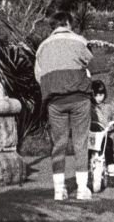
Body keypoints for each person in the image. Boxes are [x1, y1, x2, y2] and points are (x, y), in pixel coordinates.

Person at [34, 10, 94, 201]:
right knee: (80, 141)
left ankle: (59, 190)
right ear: (68, 23)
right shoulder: (80, 41)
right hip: (79, 98)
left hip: (55, 101)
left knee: (58, 144)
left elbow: (39, 75)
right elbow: (90, 63)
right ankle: (82, 188)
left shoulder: (42, 47)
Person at [90, 80, 114, 187]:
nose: (99, 98)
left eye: (101, 95)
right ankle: (86, 170)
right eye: (96, 95)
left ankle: (111, 168)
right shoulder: (89, 107)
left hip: (106, 135)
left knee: (108, 147)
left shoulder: (108, 106)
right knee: (88, 151)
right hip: (92, 135)